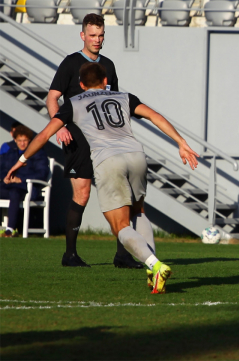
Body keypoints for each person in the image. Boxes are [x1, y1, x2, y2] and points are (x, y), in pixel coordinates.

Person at [5, 62, 200, 294]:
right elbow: (155, 116)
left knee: (120, 226)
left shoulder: (73, 103)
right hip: (137, 155)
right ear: (105, 81)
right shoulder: (124, 96)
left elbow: (46, 134)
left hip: (109, 160)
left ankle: (155, 265)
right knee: (139, 211)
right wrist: (181, 143)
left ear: (80, 84)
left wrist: (21, 161)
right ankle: (152, 267)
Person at [46, 13, 141, 268]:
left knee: (123, 194)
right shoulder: (70, 64)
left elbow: (116, 103)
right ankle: (70, 255)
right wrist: (60, 125)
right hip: (78, 142)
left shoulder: (108, 66)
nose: (97, 40)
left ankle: (122, 255)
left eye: (101, 35)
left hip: (108, 142)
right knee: (83, 193)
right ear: (82, 36)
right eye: (92, 35)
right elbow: (52, 97)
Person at [1, 125, 50, 237]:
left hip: (28, 189)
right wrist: (5, 177)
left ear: (30, 140)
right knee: (12, 191)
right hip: (8, 187)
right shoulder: (10, 152)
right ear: (15, 140)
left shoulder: (38, 152)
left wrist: (21, 179)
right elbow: (2, 168)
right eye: (19, 141)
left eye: (25, 140)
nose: (22, 143)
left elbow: (42, 173)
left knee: (15, 193)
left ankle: (10, 230)